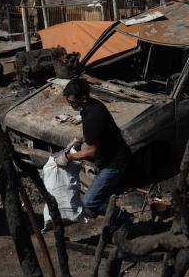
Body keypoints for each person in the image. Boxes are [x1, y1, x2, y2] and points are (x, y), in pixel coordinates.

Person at [54, 77, 131, 217]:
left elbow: (91, 151)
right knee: (100, 196)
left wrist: (68, 157)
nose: (70, 105)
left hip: (114, 163)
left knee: (89, 202)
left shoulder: (93, 116)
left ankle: (121, 218)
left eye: (72, 102)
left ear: (83, 98)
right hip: (111, 156)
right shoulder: (92, 106)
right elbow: (99, 132)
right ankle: (114, 217)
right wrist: (84, 138)